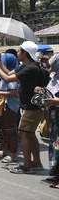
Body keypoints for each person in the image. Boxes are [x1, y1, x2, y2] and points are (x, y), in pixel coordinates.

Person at [0, 41, 48, 174]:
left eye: (19, 51)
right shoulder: (26, 66)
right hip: (31, 106)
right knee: (30, 134)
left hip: (32, 107)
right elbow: (9, 73)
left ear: (25, 53)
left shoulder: (31, 68)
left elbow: (6, 79)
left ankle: (27, 166)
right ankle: (37, 163)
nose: (17, 53)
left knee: (23, 134)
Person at [0, 53, 20, 163]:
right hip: (4, 105)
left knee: (11, 130)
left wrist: (0, 93)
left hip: (10, 105)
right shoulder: (7, 74)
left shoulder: (12, 77)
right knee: (5, 129)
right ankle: (6, 150)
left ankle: (12, 153)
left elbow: (12, 92)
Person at [41, 54, 59, 187]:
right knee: (55, 145)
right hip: (54, 118)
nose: (50, 67)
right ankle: (57, 174)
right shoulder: (54, 77)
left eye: (52, 64)